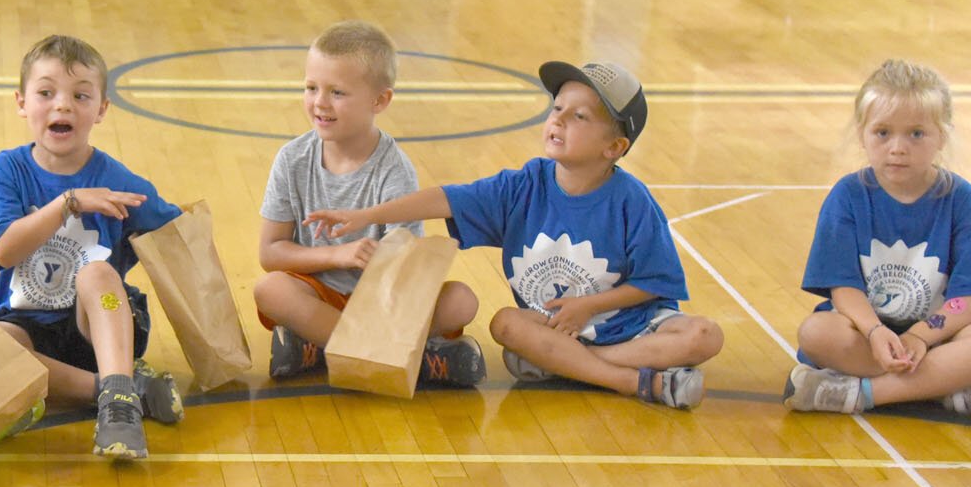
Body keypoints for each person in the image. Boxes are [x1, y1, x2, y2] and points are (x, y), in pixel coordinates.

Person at [306, 61, 723, 410]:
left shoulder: (632, 201)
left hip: (633, 328)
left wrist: (590, 305)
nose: (557, 120)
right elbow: (445, 200)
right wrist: (366, 215)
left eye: (579, 116)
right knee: (506, 324)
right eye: (557, 108)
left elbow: (654, 284)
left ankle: (574, 365)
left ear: (614, 147)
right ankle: (632, 383)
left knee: (704, 335)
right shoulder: (524, 185)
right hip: (553, 328)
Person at [0, 35, 185, 461]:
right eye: (46, 92)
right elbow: (2, 252)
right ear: (21, 102)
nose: (63, 105)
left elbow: (178, 238)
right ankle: (120, 393)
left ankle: (116, 393)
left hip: (101, 323)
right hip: (28, 326)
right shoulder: (8, 169)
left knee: (96, 273)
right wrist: (70, 202)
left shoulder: (119, 180)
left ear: (102, 109)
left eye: (80, 95)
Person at [252, 20, 484, 386]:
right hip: (319, 297)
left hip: (383, 305)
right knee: (270, 290)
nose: (319, 103)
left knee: (461, 300)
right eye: (311, 88)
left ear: (380, 100)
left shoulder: (395, 170)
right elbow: (271, 253)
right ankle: (404, 358)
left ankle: (323, 348)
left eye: (337, 93)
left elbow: (404, 272)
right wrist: (338, 255)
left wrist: (381, 263)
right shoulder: (292, 159)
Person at [785, 59, 971, 419]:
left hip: (939, 339)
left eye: (916, 133)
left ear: (942, 136)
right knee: (816, 332)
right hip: (864, 337)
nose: (898, 147)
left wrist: (922, 337)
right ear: (863, 134)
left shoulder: (961, 199)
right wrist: (877, 332)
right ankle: (948, 391)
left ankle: (862, 393)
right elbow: (842, 288)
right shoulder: (848, 195)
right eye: (883, 133)